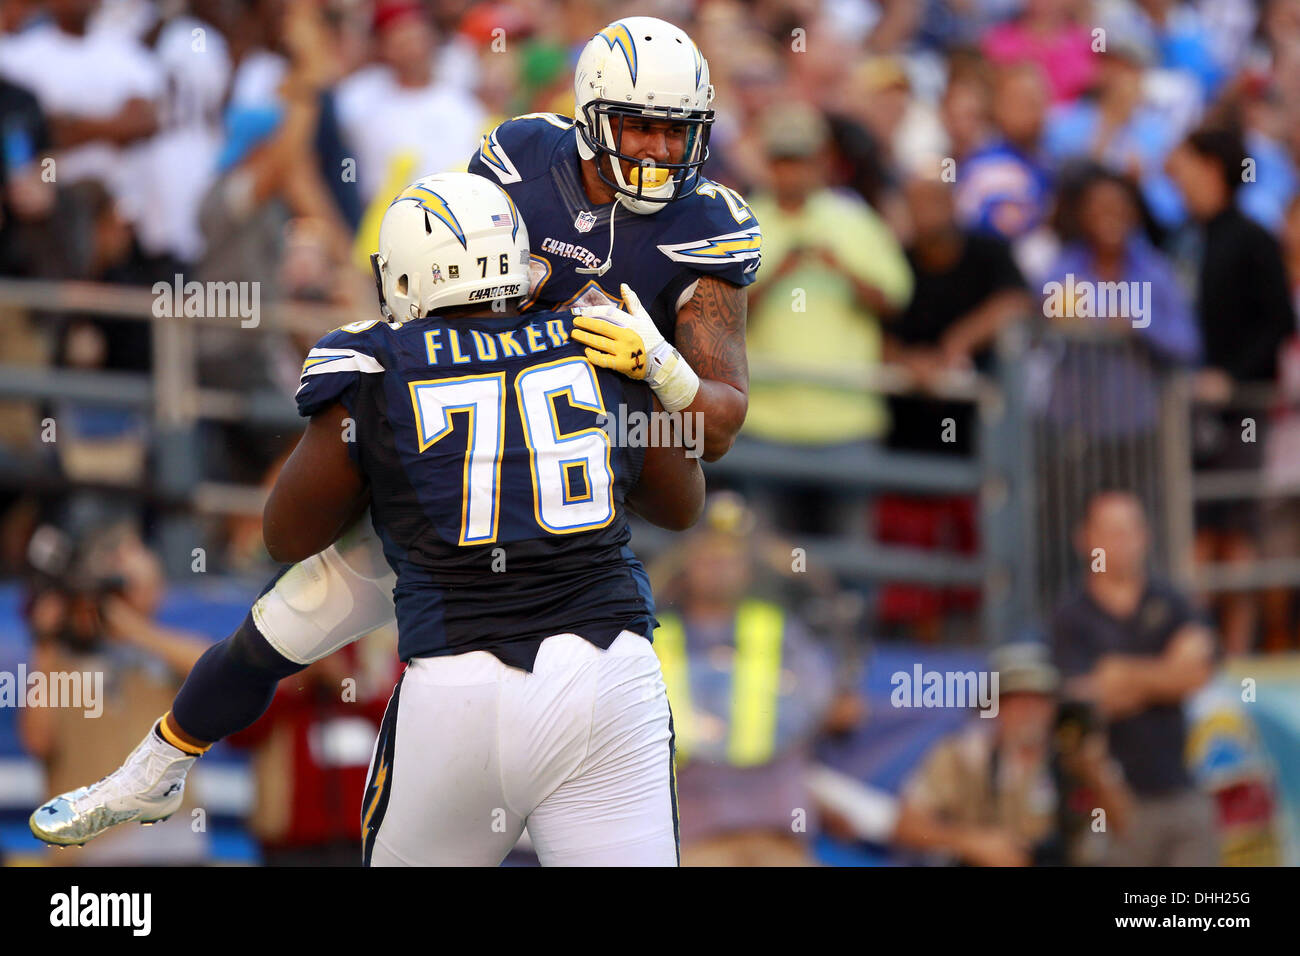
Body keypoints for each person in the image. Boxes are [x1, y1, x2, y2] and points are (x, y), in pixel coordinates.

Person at [30, 14, 759, 851]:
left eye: (680, 134)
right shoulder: (524, 157)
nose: (664, 153)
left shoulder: (704, 224)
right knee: (290, 615)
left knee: (297, 606)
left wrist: (658, 371)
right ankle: (161, 759)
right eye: (644, 129)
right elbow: (453, 247)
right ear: (592, 118)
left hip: (574, 465)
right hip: (487, 462)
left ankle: (162, 761)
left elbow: (720, 425)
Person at [269, 171, 701, 865]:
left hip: (460, 675)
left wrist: (376, 473)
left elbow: (284, 536)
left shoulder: (378, 365)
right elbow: (682, 505)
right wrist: (653, 372)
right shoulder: (597, 335)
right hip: (607, 665)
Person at [1165, 124, 1297, 654]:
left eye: (1186, 168)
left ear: (1212, 169)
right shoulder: (1189, 239)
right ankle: (1197, 646)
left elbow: (1279, 322)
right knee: (1196, 528)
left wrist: (1234, 379)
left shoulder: (1252, 238)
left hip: (1240, 411)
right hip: (1194, 411)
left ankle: (1238, 651)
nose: (1176, 180)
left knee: (1234, 527)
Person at [1051, 490, 1219, 866]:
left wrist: (1120, 673)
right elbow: (1081, 704)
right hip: (1110, 804)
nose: (1122, 541)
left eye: (1130, 530)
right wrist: (1165, 678)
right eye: (1111, 531)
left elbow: (1197, 672)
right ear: (1086, 540)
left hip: (1182, 792)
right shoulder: (1071, 614)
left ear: (1145, 535)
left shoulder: (1170, 599)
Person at [900, 642, 1132, 866]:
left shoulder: (1077, 757)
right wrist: (970, 842)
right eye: (1017, 700)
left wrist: (1095, 775)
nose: (1029, 711)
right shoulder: (963, 757)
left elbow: (1122, 827)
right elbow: (906, 826)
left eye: (1039, 700)